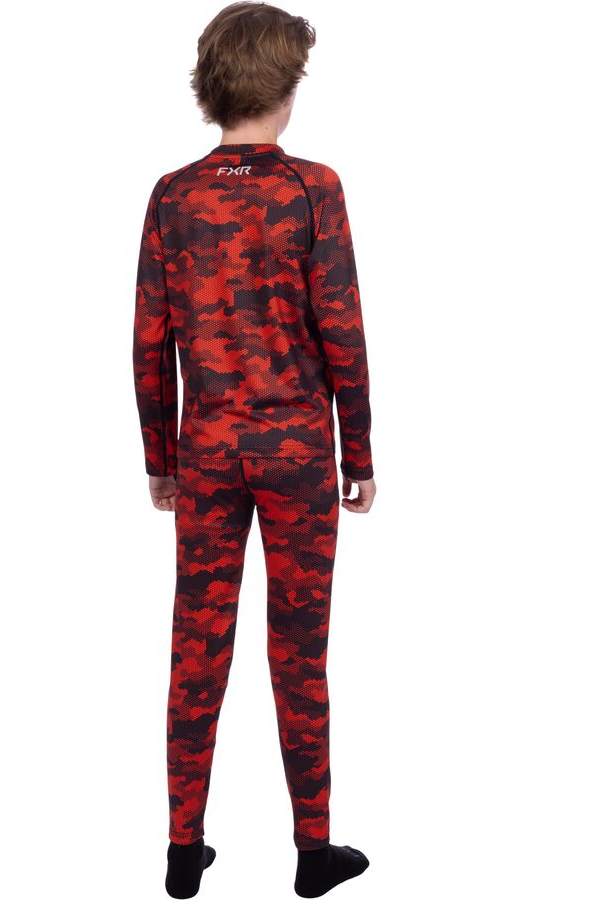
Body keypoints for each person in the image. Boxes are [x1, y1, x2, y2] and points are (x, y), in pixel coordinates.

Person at [132, 3, 376, 896]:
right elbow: (341, 327)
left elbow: (149, 339)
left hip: (206, 453)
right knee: (297, 651)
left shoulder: (173, 195)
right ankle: (313, 854)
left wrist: (159, 457)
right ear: (286, 88)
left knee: (196, 645)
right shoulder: (313, 188)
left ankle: (182, 852)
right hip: (299, 454)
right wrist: (360, 454)